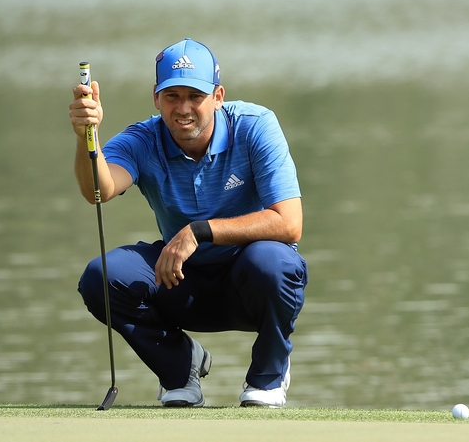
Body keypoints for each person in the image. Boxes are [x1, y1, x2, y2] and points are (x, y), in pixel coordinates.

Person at [68, 38, 308, 408]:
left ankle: (268, 375)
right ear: (155, 98)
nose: (183, 108)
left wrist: (199, 230)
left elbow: (290, 224)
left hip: (250, 281)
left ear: (218, 95)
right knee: (101, 276)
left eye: (195, 96)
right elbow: (98, 191)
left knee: (274, 263)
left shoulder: (256, 126)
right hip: (180, 280)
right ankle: (180, 369)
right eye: (172, 96)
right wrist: (89, 136)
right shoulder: (144, 138)